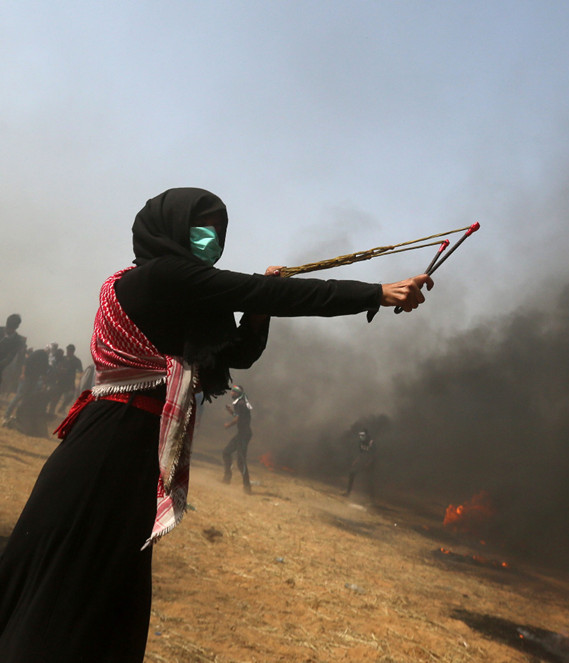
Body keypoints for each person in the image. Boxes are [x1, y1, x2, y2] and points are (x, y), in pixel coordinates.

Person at [0, 187, 433, 661]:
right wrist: (376, 292)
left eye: (218, 231)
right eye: (201, 228)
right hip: (110, 444)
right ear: (170, 228)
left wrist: (260, 308)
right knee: (75, 575)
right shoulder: (161, 276)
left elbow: (236, 353)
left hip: (134, 446)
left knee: (105, 577)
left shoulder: (182, 293)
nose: (211, 239)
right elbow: (271, 292)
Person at [222, 383, 254, 493]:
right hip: (241, 434)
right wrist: (231, 411)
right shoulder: (239, 403)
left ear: (237, 393)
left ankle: (247, 487)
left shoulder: (241, 404)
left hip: (244, 435)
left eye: (233, 392)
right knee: (226, 452)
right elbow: (238, 416)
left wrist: (228, 425)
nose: (231, 393)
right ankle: (227, 478)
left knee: (241, 461)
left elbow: (237, 419)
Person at [344, 428, 376, 497]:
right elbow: (361, 454)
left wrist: (368, 464)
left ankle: (372, 497)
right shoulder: (361, 442)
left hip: (371, 463)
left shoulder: (371, 443)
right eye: (360, 435)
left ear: (366, 435)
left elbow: (373, 455)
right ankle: (348, 492)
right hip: (363, 461)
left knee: (369, 480)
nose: (361, 436)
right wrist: (356, 461)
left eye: (363, 435)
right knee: (352, 473)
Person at [0, 314, 26, 394]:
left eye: (11, 328)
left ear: (16, 327)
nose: (8, 330)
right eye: (8, 327)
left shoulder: (17, 341)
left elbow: (10, 358)